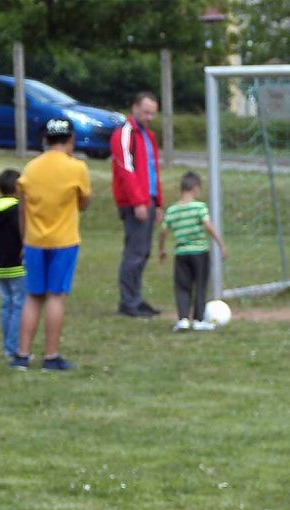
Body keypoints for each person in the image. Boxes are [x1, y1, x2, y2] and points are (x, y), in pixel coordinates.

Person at [11, 118, 91, 372]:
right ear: (71, 139)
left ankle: (22, 355)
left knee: (33, 296)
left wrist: (25, 239)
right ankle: (51, 356)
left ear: (45, 140)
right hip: (64, 240)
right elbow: (83, 203)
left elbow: (23, 209)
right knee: (56, 295)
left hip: (34, 240)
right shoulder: (77, 168)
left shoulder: (30, 169)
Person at [111, 91, 164, 318]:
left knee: (143, 252)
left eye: (153, 113)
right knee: (134, 252)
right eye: (146, 112)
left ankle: (136, 297)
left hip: (148, 199)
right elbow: (126, 169)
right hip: (136, 202)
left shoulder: (148, 136)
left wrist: (158, 201)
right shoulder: (125, 134)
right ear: (135, 108)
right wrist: (138, 201)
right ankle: (128, 301)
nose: (150, 117)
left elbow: (153, 169)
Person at [158, 171, 228, 332]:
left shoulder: (173, 210)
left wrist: (162, 249)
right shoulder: (199, 207)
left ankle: (183, 319)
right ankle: (198, 319)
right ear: (195, 188)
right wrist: (221, 244)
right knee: (201, 285)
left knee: (182, 286)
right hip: (200, 252)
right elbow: (208, 226)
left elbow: (163, 232)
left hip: (181, 253)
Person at [0, 169, 26, 358]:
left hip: (0, 266)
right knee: (19, 306)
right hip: (18, 266)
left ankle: (8, 346)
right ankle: (14, 348)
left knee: (6, 305)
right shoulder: (18, 211)